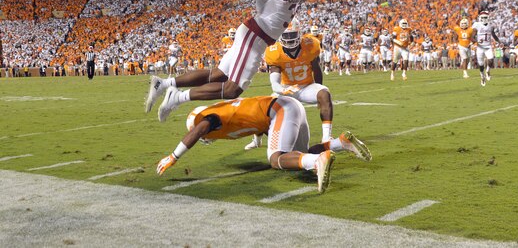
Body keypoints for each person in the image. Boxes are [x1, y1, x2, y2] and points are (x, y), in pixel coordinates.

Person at [145, 0, 316, 121]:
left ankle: (163, 84)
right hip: (255, 35)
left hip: (257, 35)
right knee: (232, 89)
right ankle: (176, 97)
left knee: (218, 74)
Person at [155, 95, 372, 194]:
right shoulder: (222, 112)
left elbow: (201, 129)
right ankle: (340, 143)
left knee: (276, 159)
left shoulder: (206, 118)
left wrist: (173, 157)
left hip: (279, 110)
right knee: (299, 154)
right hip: (287, 106)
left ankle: (317, 161)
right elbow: (252, 122)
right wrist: (258, 139)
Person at [244, 21, 334, 150]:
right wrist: (281, 89)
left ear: (299, 33)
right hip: (286, 88)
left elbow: (316, 69)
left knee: (324, 93)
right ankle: (257, 140)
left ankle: (326, 137)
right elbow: (275, 81)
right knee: (264, 111)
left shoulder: (311, 44)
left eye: (292, 34)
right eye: (286, 35)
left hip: (307, 86)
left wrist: (319, 90)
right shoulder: (273, 51)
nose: (290, 39)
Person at [471, 11, 501, 87]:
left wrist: (499, 41)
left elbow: (493, 35)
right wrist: (476, 41)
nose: (484, 19)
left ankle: (488, 70)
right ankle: (482, 76)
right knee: (481, 64)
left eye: (485, 17)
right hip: (480, 47)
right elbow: (472, 37)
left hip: (488, 46)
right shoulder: (477, 25)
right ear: (480, 18)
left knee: (491, 59)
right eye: (483, 17)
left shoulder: (491, 25)